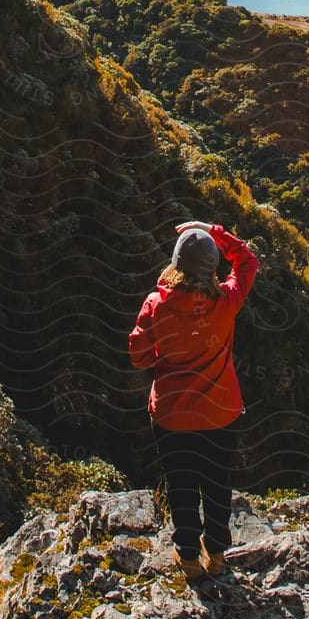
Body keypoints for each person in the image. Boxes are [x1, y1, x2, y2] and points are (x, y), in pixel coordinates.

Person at [128, 217, 260, 580]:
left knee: (180, 482)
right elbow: (248, 261)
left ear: (175, 262)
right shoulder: (227, 300)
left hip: (172, 415)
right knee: (217, 482)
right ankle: (216, 555)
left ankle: (188, 558)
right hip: (221, 412)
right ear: (211, 267)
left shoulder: (156, 304)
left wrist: (164, 365)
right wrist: (215, 231)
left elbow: (138, 354)